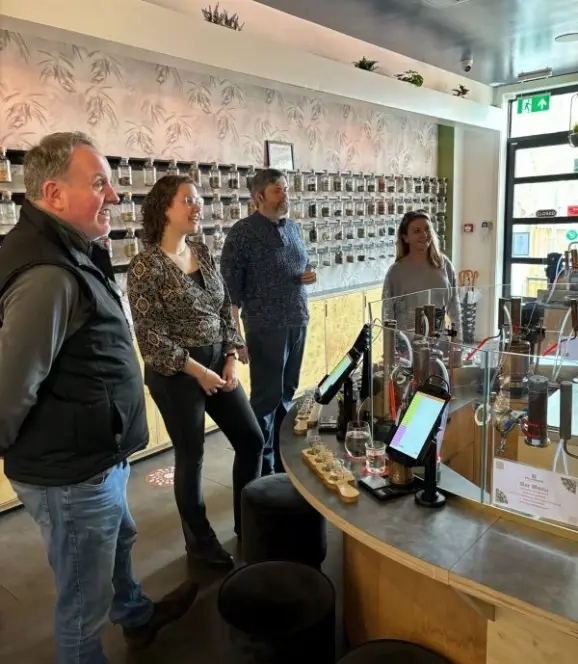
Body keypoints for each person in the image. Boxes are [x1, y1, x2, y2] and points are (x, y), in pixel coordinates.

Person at [0, 132, 198, 664]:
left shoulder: (69, 249)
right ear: (54, 194)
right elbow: (8, 391)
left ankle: (135, 615)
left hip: (92, 457)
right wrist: (46, 460)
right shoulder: (47, 275)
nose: (114, 196)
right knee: (82, 606)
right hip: (70, 472)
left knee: (118, 543)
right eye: (99, 184)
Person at [127, 175, 264, 569]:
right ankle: (201, 545)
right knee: (192, 456)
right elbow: (150, 337)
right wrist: (197, 370)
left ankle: (248, 524)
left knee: (251, 440)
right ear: (164, 208)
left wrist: (232, 356)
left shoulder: (201, 251)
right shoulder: (144, 265)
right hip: (177, 375)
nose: (197, 206)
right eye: (188, 199)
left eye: (199, 200)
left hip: (218, 365)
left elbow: (224, 309)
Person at [220, 168, 316, 475]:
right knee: (266, 400)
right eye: (278, 190)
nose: (285, 194)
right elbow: (229, 295)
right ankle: (262, 466)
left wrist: (309, 275)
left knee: (288, 394)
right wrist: (236, 340)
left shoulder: (294, 229)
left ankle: (282, 462)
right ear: (259, 196)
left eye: (286, 189)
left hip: (297, 320)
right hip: (264, 326)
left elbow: (303, 264)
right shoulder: (242, 234)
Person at [381, 210, 461, 334]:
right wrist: (390, 349)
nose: (424, 234)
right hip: (406, 345)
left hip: (439, 343)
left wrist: (457, 339)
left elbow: (454, 307)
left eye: (427, 229)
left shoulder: (444, 264)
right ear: (405, 237)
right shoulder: (395, 272)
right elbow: (387, 316)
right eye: (417, 231)